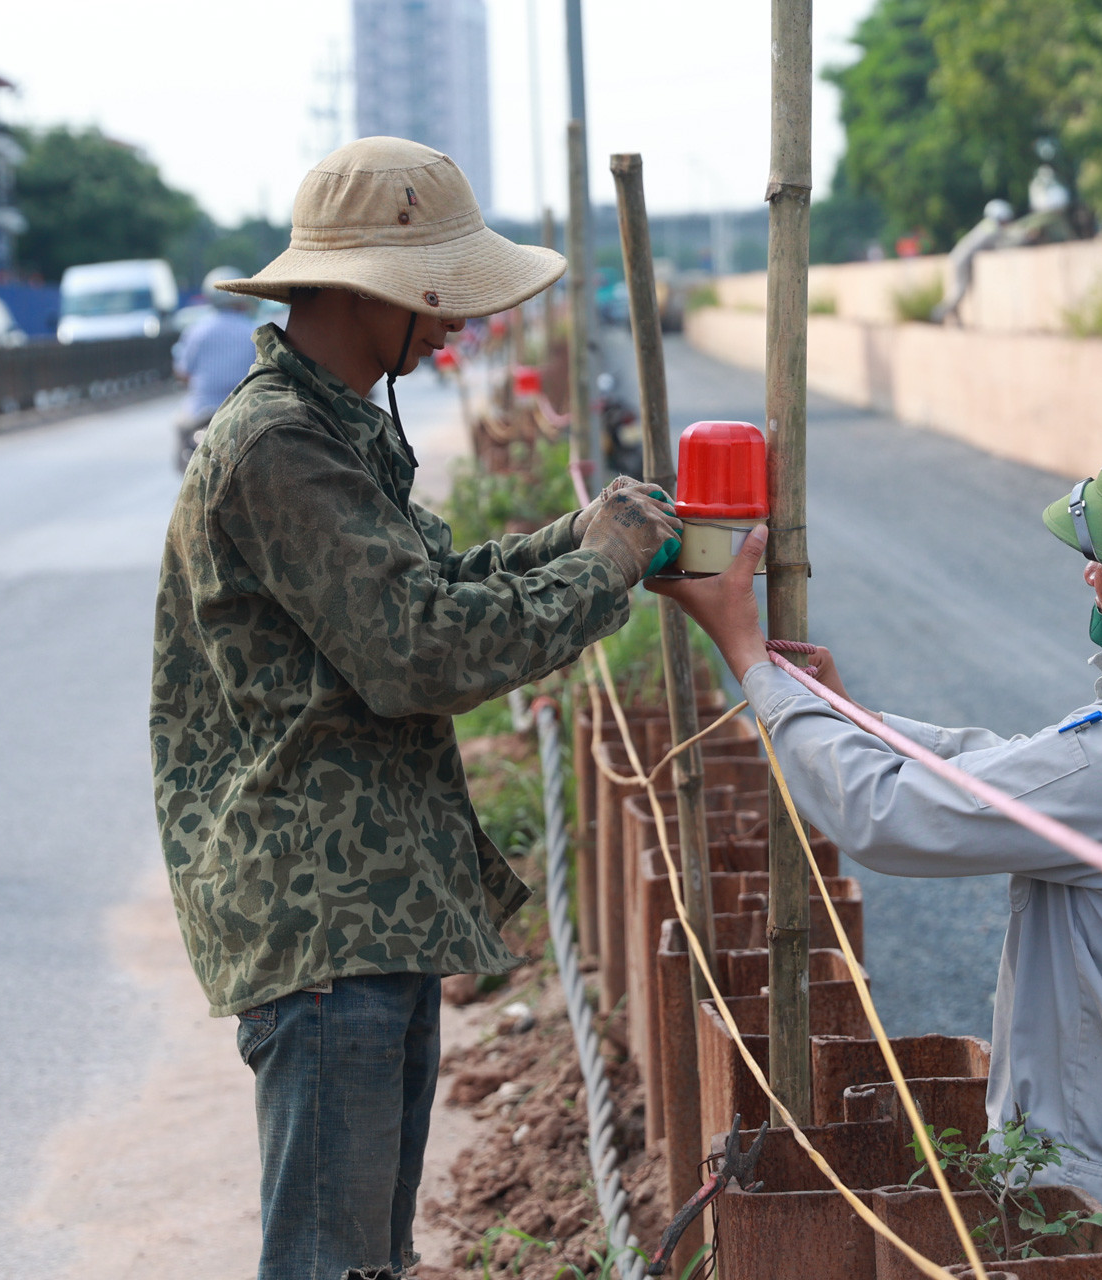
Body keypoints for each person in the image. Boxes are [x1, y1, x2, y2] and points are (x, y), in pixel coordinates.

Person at [149, 136, 679, 1280]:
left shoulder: (333, 425)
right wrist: (600, 571)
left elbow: (428, 584)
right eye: (437, 297)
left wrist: (578, 538)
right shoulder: (279, 447)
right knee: (335, 1261)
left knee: (366, 1259)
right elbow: (419, 649)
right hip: (323, 919)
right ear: (364, 291)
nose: (453, 326)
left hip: (369, 911)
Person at [654, 423, 1102, 1280]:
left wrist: (748, 658)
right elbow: (1029, 771)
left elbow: (885, 815)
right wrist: (855, 717)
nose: (1090, 573)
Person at [170, 265, 259, 470]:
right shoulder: (253, 330)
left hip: (201, 411)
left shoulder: (197, 331)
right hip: (243, 412)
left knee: (179, 428)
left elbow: (183, 372)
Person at [930, 198, 1012, 325]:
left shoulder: (987, 226)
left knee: (960, 290)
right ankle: (937, 314)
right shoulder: (991, 229)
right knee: (959, 290)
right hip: (963, 259)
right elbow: (1003, 243)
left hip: (960, 257)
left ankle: (954, 320)